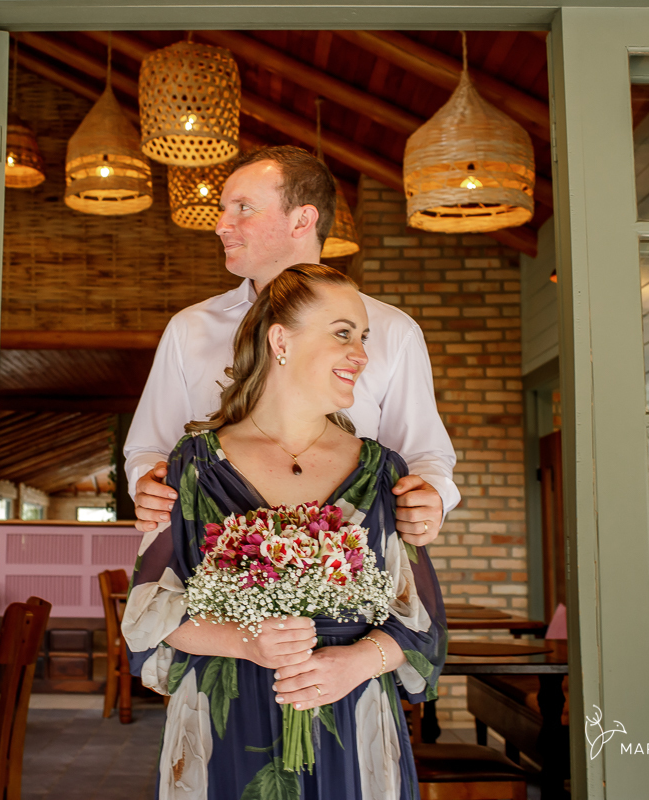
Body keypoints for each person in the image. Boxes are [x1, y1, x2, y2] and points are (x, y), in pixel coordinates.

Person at [123, 264, 446, 800]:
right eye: (343, 333)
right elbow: (148, 611)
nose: (361, 355)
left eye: (364, 338)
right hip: (228, 719)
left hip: (352, 720)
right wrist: (244, 641)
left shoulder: (382, 471)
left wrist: (356, 663)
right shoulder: (193, 467)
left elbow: (421, 623)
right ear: (281, 341)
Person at [123, 146, 457, 546]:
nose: (221, 225)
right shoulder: (189, 328)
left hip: (349, 563)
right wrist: (146, 482)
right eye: (223, 209)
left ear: (302, 220)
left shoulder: (394, 330)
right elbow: (149, 446)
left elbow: (425, 453)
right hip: (205, 559)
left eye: (243, 208)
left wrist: (433, 496)